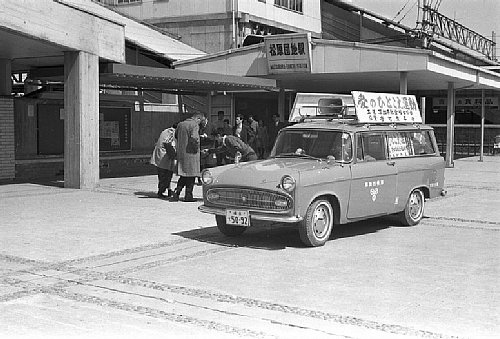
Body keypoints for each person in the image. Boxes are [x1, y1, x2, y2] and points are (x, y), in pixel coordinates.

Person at [171, 113, 204, 202]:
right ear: (198, 118)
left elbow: (176, 136)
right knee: (192, 175)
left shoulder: (181, 124)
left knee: (184, 174)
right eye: (200, 121)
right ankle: (188, 195)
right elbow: (194, 138)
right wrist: (197, 148)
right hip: (191, 154)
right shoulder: (194, 125)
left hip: (181, 153)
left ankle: (177, 191)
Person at [150, 124, 177, 199]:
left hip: (159, 156)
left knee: (162, 175)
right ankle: (161, 192)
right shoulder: (172, 133)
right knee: (166, 175)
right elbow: (169, 144)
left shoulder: (165, 131)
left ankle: (167, 189)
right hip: (165, 158)